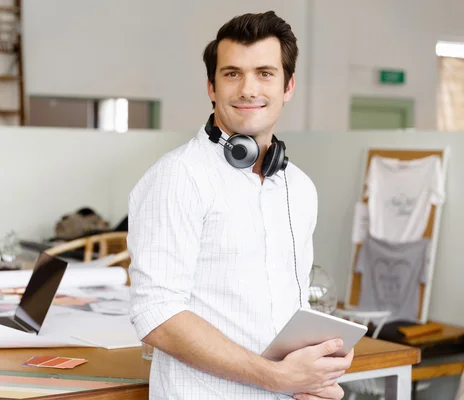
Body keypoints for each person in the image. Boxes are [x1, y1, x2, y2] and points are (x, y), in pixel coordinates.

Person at [127, 11, 353, 400]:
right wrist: (276, 377)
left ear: (288, 86)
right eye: (233, 74)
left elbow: (290, 304)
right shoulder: (179, 176)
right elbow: (157, 316)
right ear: (212, 87)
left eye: (265, 73)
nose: (249, 89)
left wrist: (315, 367)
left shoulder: (298, 187)